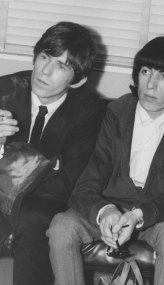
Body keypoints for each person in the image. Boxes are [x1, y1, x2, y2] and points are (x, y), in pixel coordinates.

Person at [47, 35, 164, 285]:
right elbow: (87, 181)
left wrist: (138, 215)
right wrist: (105, 211)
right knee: (61, 226)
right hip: (110, 206)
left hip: (157, 215)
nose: (151, 85)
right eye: (145, 72)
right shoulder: (115, 112)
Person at [0, 22, 105, 285]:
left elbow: (66, 183)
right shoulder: (3, 91)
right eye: (44, 57)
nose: (45, 71)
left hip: (45, 203)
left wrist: (8, 158)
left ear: (78, 80)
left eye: (61, 66)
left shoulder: (89, 111)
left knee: (32, 216)